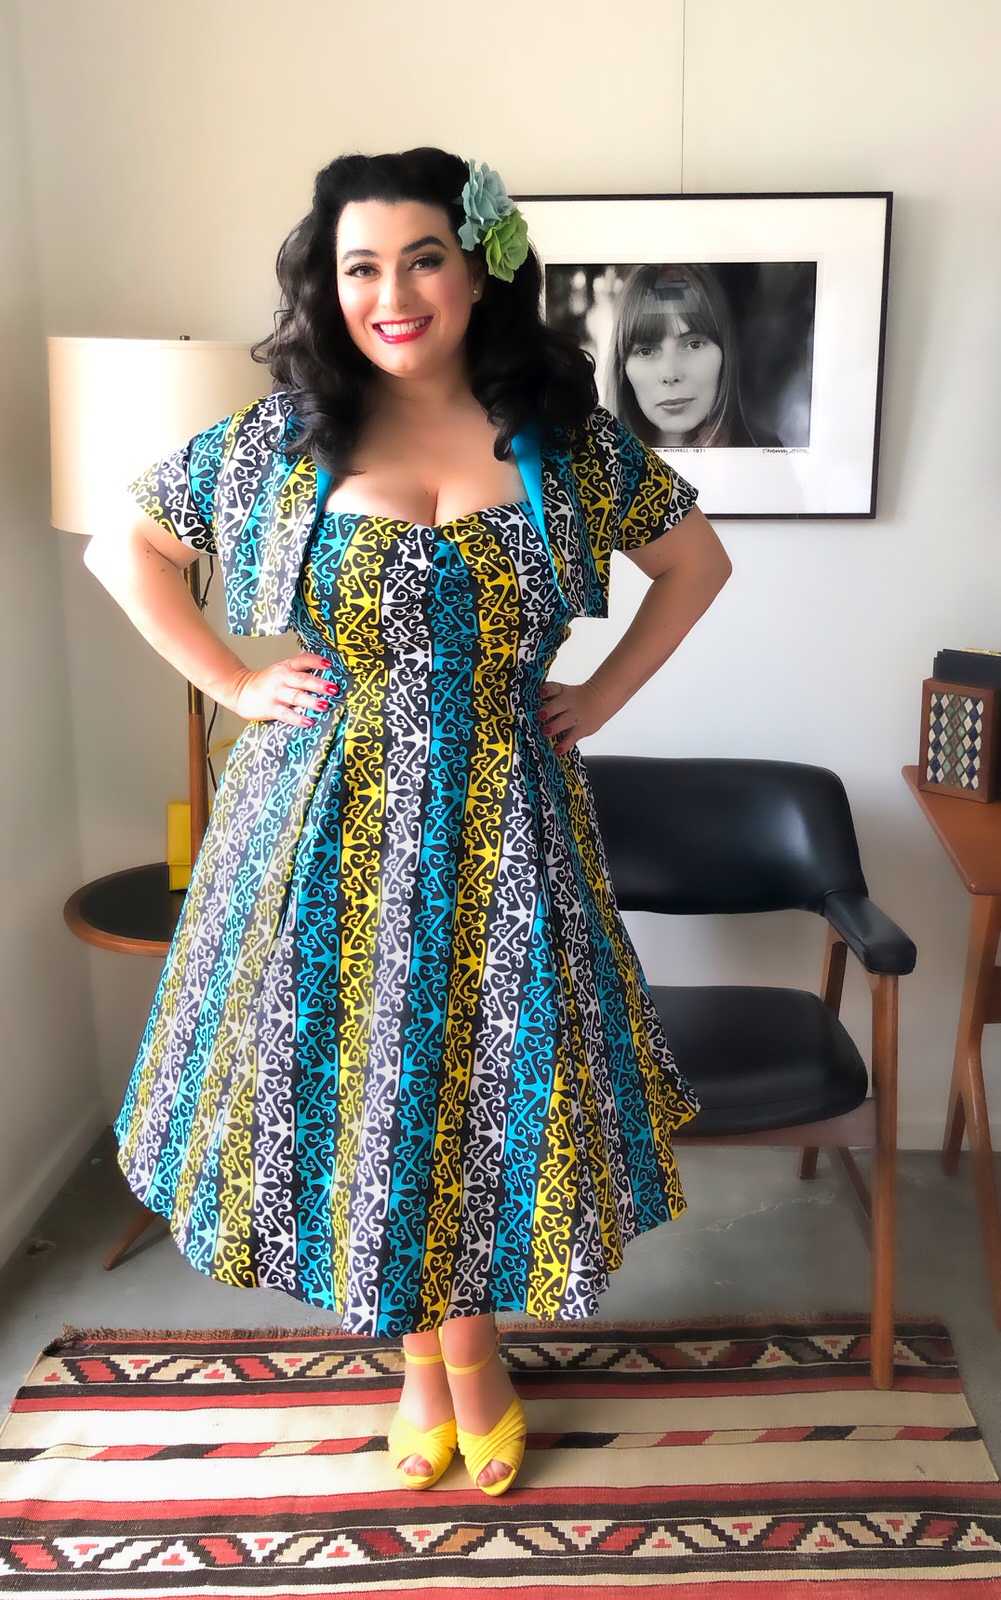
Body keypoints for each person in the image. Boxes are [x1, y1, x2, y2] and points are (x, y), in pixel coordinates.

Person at [84, 148, 731, 1499]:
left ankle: (465, 1364)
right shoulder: (282, 437)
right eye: (361, 266)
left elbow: (694, 562)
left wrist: (601, 695)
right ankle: (428, 1367)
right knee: (368, 1097)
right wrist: (235, 684)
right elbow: (124, 548)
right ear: (330, 285)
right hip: (326, 825)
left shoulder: (564, 441)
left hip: (506, 820)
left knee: (484, 1094)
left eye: (422, 258)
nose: (393, 293)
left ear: (476, 269)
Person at [606, 262, 760, 448]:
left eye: (694, 344)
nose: (670, 374)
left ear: (725, 353)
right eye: (646, 351)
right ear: (622, 366)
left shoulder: (769, 458)